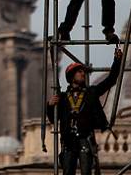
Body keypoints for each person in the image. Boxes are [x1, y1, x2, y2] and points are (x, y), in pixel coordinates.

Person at [47, 47, 123, 175]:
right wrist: (50, 105)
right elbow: (53, 119)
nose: (83, 74)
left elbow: (111, 80)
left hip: (85, 139)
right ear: (72, 76)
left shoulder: (91, 93)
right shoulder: (63, 98)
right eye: (79, 72)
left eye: (83, 71)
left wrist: (117, 61)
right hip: (68, 141)